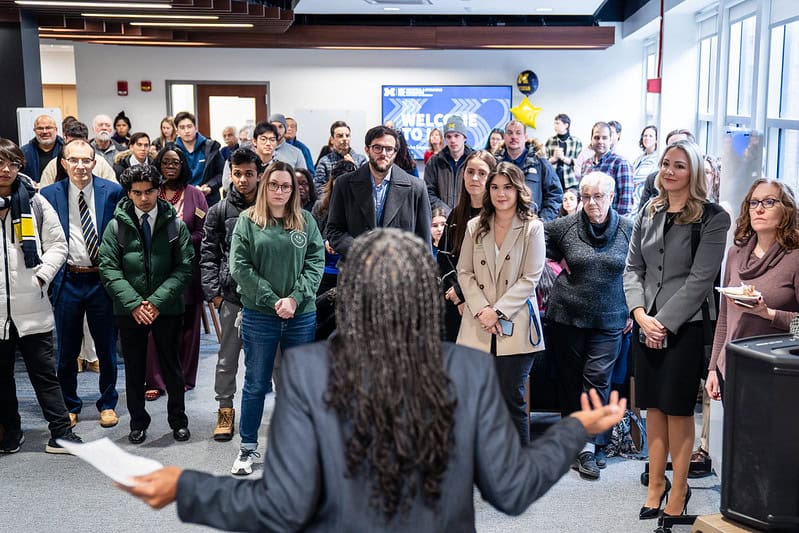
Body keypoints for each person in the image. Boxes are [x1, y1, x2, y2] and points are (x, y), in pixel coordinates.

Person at [118, 228, 626, 532]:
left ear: (350, 294)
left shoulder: (306, 370)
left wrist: (186, 487)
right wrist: (573, 430)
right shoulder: (468, 371)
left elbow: (280, 507)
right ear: (425, 296)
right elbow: (512, 489)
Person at [624, 140, 730, 519]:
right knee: (653, 405)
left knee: (677, 409)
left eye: (679, 166)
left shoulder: (714, 218)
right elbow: (632, 268)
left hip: (686, 327)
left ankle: (679, 489)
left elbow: (700, 281)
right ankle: (656, 483)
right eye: (666, 164)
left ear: (695, 172)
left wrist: (663, 323)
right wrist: (639, 314)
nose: (669, 171)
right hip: (645, 323)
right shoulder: (648, 211)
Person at [228, 161, 323, 475]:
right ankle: (247, 449)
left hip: (301, 316)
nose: (279, 191)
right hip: (260, 315)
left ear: (294, 190)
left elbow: (315, 264)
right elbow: (240, 268)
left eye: (286, 186)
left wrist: (295, 299)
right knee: (256, 384)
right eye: (274, 185)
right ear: (264, 186)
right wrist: (273, 300)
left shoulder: (305, 221)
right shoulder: (247, 221)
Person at [543, 171, 634, 480]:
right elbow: (535, 239)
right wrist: (557, 263)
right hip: (566, 315)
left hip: (611, 317)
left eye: (598, 196)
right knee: (570, 380)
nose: (591, 203)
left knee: (597, 378)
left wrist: (635, 309)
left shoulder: (628, 230)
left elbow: (639, 270)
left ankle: (589, 447)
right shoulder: (564, 227)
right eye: (585, 197)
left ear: (612, 197)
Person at [98, 164, 194, 445]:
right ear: (128, 193)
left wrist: (155, 302)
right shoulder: (116, 226)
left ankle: (178, 420)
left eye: (149, 191)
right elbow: (109, 269)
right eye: (137, 193)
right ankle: (138, 422)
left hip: (166, 308)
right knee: (135, 369)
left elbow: (185, 267)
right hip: (130, 311)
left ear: (158, 190)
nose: (144, 198)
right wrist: (135, 304)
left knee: (172, 367)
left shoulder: (175, 224)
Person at [0, 137, 83, 454]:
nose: (6, 170)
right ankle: (12, 431)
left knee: (45, 375)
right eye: (0, 163)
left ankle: (62, 432)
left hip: (32, 305)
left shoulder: (34, 202)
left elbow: (59, 245)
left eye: (13, 163)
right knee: (2, 378)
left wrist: (41, 276)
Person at [457, 162, 546, 445]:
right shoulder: (475, 226)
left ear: (519, 189)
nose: (501, 193)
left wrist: (496, 311)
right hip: (477, 324)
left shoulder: (533, 227)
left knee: (512, 398)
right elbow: (464, 271)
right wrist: (483, 310)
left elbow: (530, 277)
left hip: (516, 324)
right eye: (494, 187)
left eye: (507, 187)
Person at [39, 139, 124, 429]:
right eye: (73, 160)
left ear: (94, 162)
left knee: (106, 348)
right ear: (63, 163)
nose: (80, 166)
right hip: (68, 280)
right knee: (66, 350)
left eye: (86, 160)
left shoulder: (112, 191)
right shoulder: (49, 194)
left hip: (102, 279)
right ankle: (70, 404)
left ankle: (107, 403)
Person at [706, 178, 799, 401]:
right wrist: (713, 367)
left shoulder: (795, 257)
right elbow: (725, 319)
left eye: (769, 202)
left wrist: (769, 314)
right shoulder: (735, 254)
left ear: (786, 209)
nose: (758, 209)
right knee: (735, 437)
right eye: (753, 202)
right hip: (732, 368)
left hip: (777, 373)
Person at [201, 147, 262, 442]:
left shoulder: (272, 206)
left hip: (265, 299)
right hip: (231, 298)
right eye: (237, 174)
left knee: (267, 360)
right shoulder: (219, 210)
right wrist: (214, 293)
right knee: (227, 359)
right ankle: (225, 410)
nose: (242, 180)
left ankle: (269, 413)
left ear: (258, 175)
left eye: (249, 174)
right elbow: (208, 255)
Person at [142, 144, 208, 400]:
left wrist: (180, 241)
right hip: (155, 271)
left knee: (189, 327)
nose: (170, 166)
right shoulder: (150, 193)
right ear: (158, 166)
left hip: (188, 269)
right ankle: (156, 380)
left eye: (176, 163)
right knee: (153, 326)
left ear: (183, 166)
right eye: (166, 162)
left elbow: (204, 232)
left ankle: (182, 377)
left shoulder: (195, 195)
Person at [326, 125, 432, 259]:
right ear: (367, 149)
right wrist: (359, 247)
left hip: (400, 273)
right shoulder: (343, 184)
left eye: (389, 149)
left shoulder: (417, 188)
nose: (383, 153)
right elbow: (334, 231)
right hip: (355, 271)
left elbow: (424, 242)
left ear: (395, 152)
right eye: (377, 148)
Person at [436, 150, 496, 342]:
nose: (475, 178)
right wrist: (456, 294)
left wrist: (465, 294)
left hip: (487, 304)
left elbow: (491, 265)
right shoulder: (455, 215)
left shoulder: (498, 216)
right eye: (470, 172)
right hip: (454, 302)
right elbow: (444, 257)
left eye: (482, 173)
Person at [497, 120, 563, 222]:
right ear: (504, 137)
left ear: (526, 137)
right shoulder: (495, 164)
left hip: (531, 225)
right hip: (501, 224)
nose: (514, 137)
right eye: (509, 133)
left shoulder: (540, 163)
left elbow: (555, 194)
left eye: (518, 133)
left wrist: (543, 221)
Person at [312, 159, 355, 296]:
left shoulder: (363, 209)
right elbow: (310, 239)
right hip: (323, 272)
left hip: (349, 273)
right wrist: (325, 243)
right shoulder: (320, 207)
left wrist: (341, 243)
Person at [581, 122, 634, 216]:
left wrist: (614, 227)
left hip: (611, 225)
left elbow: (625, 205)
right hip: (589, 223)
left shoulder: (621, 163)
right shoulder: (586, 164)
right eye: (596, 137)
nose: (600, 141)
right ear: (591, 140)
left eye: (604, 138)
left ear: (610, 140)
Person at [424, 114, 473, 214]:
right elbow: (428, 192)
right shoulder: (434, 162)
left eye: (456, 136)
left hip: (469, 217)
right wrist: (446, 211)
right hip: (442, 219)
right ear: (445, 139)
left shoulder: (474, 161)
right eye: (449, 136)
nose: (453, 140)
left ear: (464, 137)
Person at [174, 111, 224, 206]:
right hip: (182, 201)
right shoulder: (172, 151)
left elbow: (222, 173)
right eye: (182, 127)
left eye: (189, 126)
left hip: (208, 200)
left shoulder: (211, 147)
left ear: (196, 128)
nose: (186, 131)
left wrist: (210, 186)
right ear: (177, 131)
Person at [637, 129, 696, 211]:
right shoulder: (652, 180)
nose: (674, 150)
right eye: (670, 146)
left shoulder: (708, 212)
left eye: (681, 146)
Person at [313, 121, 367, 195]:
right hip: (331, 202)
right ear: (332, 140)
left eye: (347, 135)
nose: (345, 139)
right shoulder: (324, 161)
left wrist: (354, 166)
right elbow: (318, 186)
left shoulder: (361, 160)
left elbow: (365, 183)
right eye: (340, 136)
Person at [21, 114, 64, 183]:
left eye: (48, 128)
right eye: (40, 128)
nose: (44, 131)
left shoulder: (66, 150)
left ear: (56, 130)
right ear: (34, 130)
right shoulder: (24, 152)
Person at [545, 113, 583, 190]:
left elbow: (580, 163)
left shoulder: (576, 141)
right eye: (554, 123)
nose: (555, 126)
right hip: (553, 180)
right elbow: (544, 162)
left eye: (558, 123)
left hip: (571, 180)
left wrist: (563, 158)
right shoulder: (550, 141)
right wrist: (554, 158)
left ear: (566, 125)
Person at [631, 125, 658, 213]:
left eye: (651, 136)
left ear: (656, 140)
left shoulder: (656, 158)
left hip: (643, 198)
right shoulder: (640, 158)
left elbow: (636, 177)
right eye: (645, 135)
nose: (647, 138)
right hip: (634, 198)